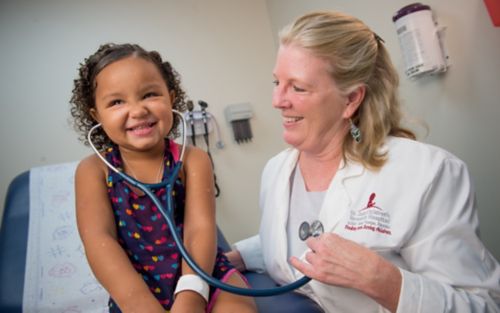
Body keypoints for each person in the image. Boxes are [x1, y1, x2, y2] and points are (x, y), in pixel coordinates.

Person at [225, 10, 500, 313]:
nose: (277, 100)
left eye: (298, 87)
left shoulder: (428, 173)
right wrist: (242, 254)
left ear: (351, 99)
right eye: (277, 82)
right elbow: (299, 236)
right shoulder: (276, 171)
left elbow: (483, 306)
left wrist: (383, 281)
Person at [70, 43, 256, 313]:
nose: (137, 110)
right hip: (136, 286)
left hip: (204, 272)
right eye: (117, 101)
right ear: (97, 116)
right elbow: (101, 242)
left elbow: (200, 230)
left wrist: (193, 292)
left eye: (149, 95)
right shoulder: (93, 171)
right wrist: (137, 302)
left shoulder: (192, 160)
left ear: (171, 98)